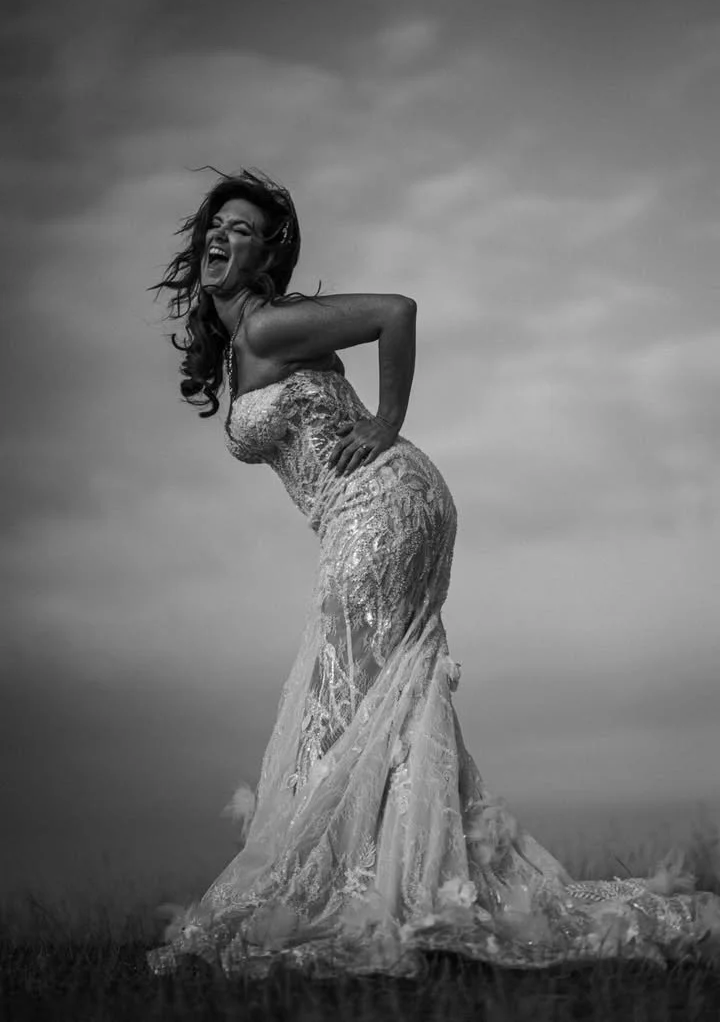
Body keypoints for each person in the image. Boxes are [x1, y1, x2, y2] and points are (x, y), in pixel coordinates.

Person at [146, 168, 719, 979]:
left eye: (241, 229)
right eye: (216, 224)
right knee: (376, 704)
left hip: (383, 503)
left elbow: (395, 314)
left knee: (346, 706)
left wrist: (387, 422)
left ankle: (393, 897)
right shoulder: (247, 338)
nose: (219, 237)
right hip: (367, 511)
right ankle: (408, 888)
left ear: (267, 254)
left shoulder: (271, 325)